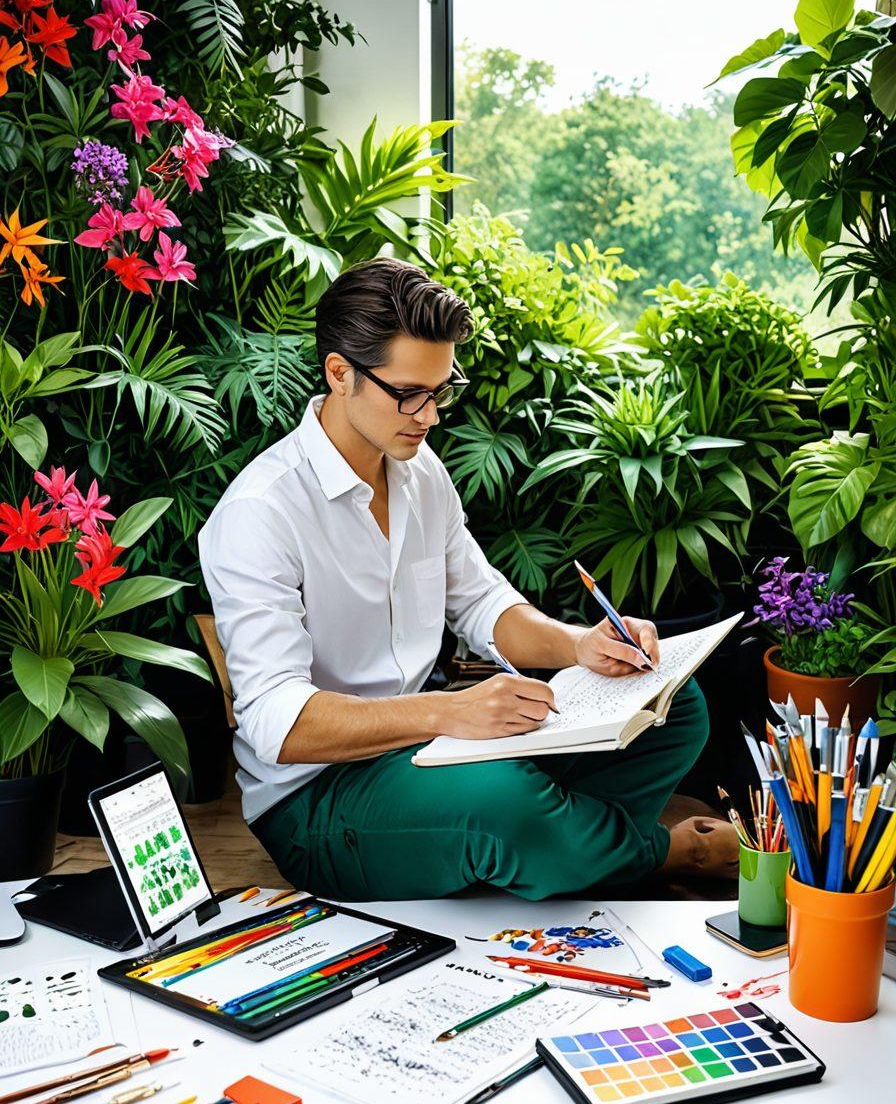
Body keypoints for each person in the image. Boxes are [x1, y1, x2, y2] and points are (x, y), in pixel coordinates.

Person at [198, 257, 736, 901]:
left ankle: (550, 847)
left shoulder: (419, 471)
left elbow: (482, 603)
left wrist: (581, 645)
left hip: (431, 747)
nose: (428, 416)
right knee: (505, 804)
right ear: (340, 374)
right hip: (319, 800)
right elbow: (279, 726)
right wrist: (452, 711)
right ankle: (665, 852)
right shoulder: (260, 512)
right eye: (408, 393)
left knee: (673, 702)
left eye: (440, 391)